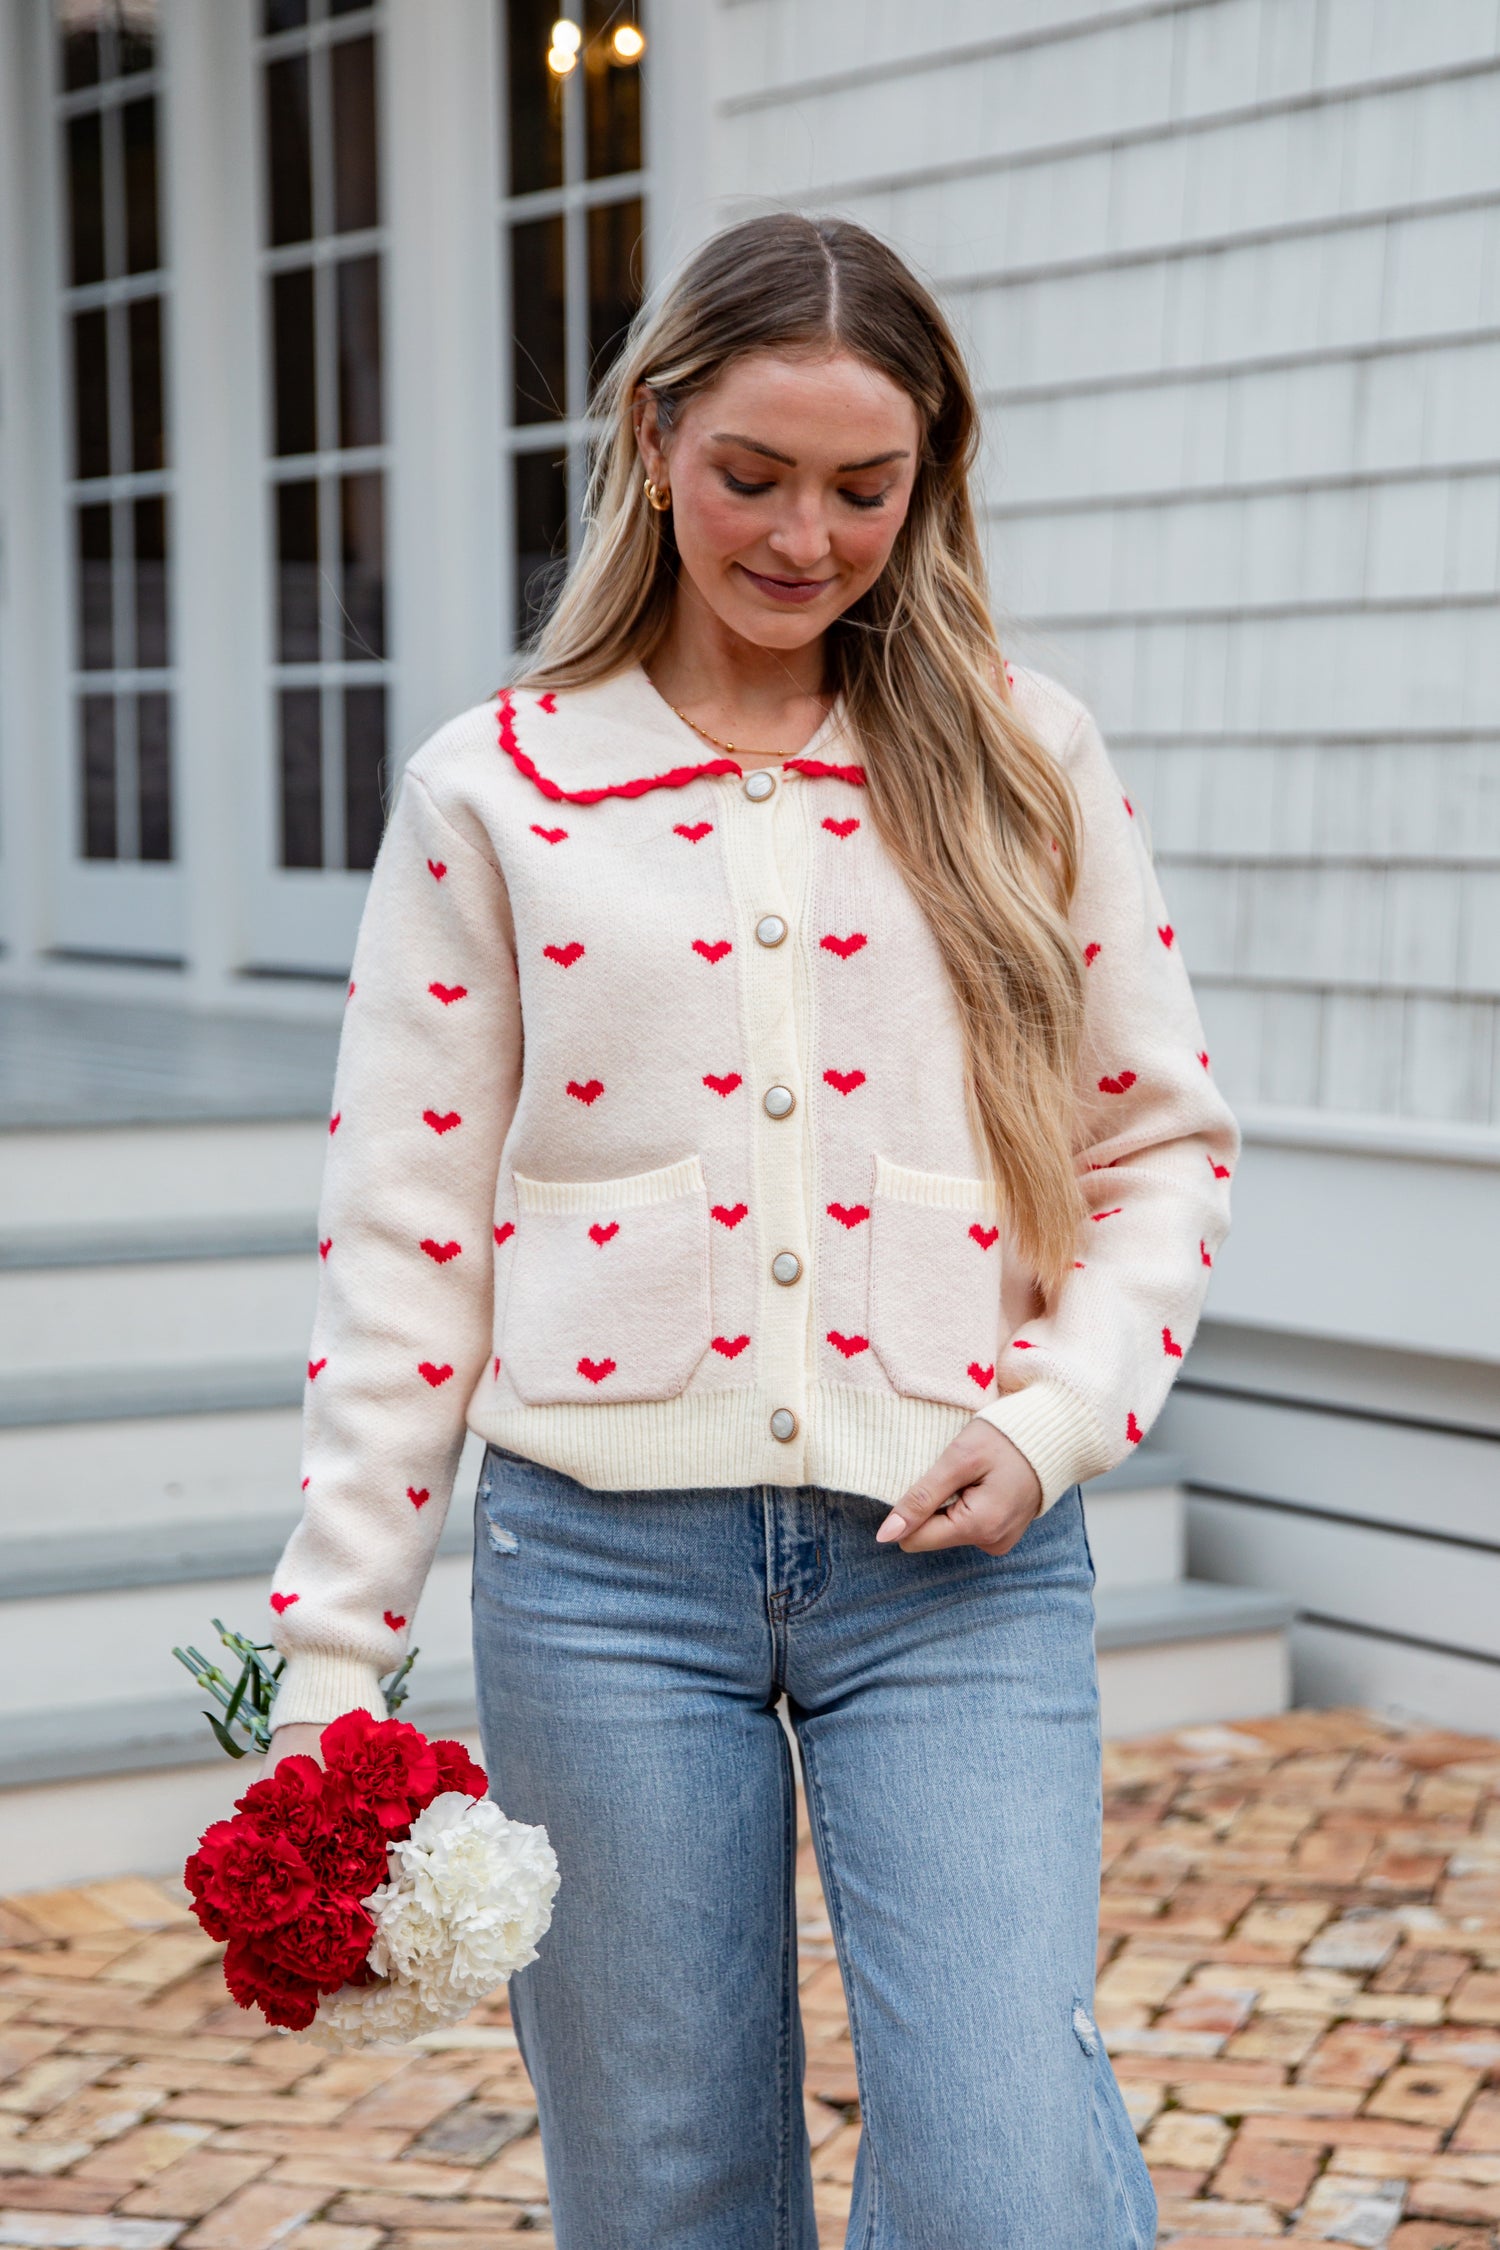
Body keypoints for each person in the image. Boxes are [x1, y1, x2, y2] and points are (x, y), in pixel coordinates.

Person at [263, 212, 1237, 2248]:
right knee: (670, 2176)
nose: (806, 538)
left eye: (864, 489)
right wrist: (332, 1656)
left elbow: (1159, 1150)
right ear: (649, 439)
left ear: (931, 475)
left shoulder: (1020, 756)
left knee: (1000, 2172)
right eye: (754, 478)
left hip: (954, 1568)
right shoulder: (502, 789)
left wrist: (1057, 1415)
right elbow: (405, 1240)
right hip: (602, 1580)